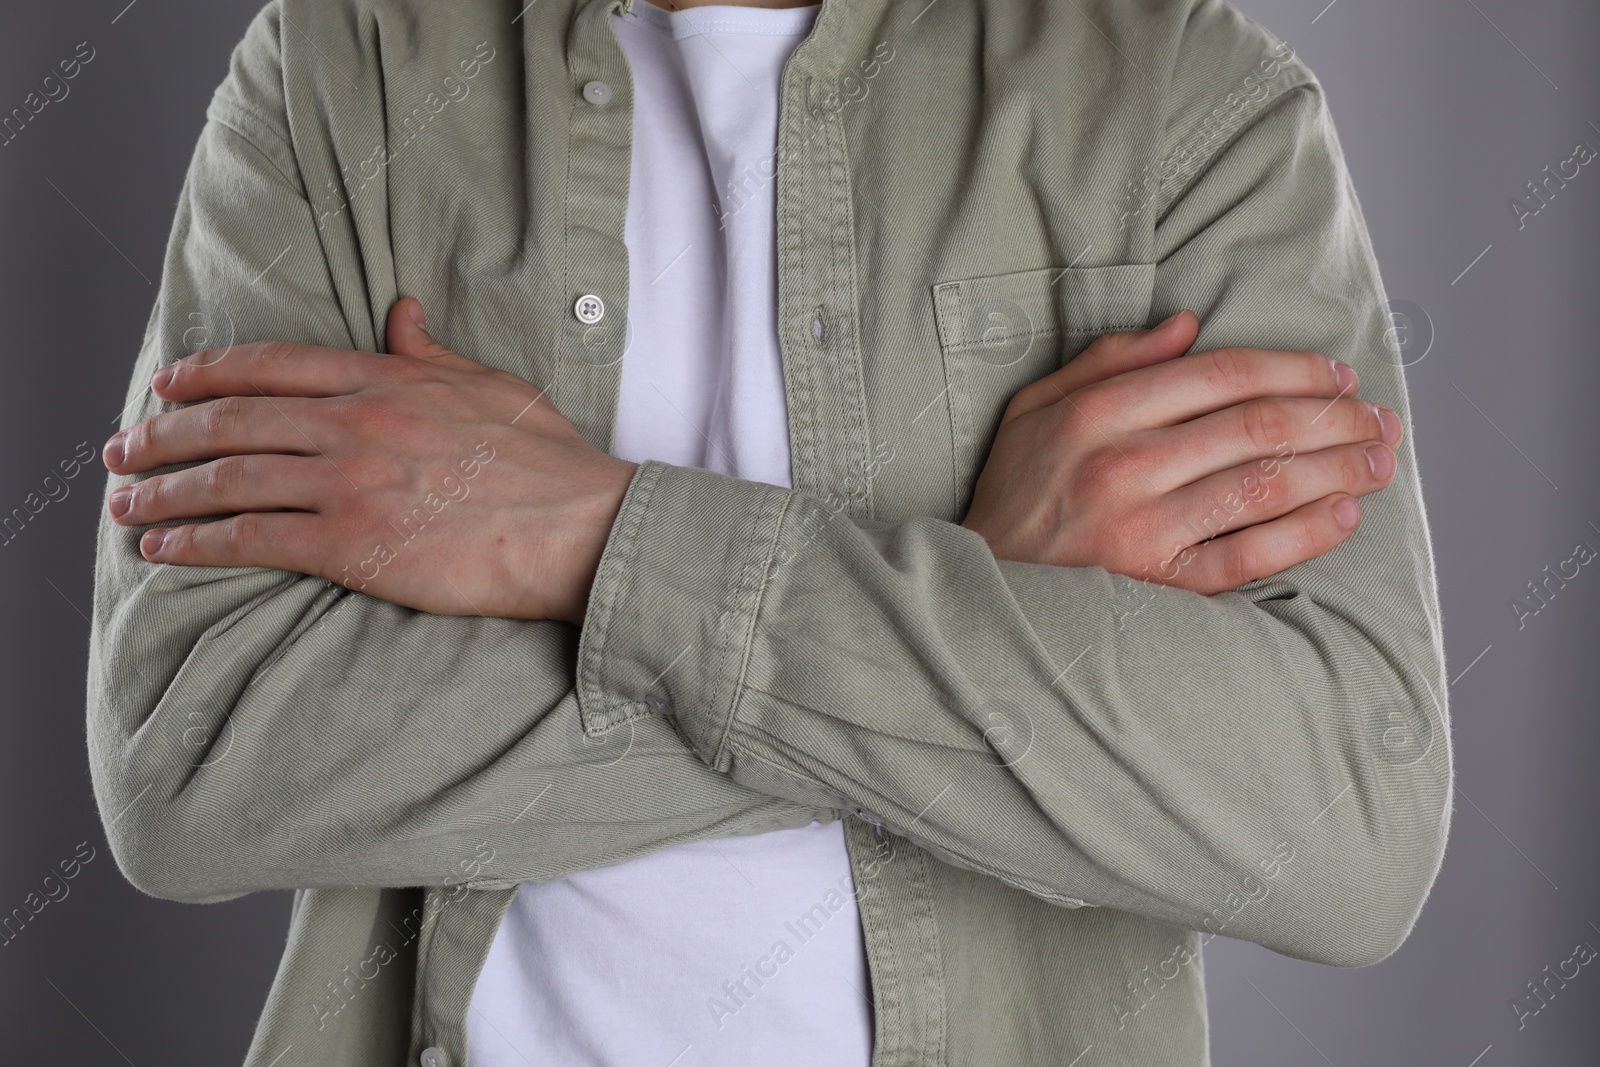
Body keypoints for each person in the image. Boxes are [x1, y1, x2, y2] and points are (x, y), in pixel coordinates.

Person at [85, 0, 1451, 1064]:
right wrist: (975, 599)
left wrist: (584, 530)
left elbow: (1342, 836)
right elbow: (194, 760)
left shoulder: (1188, 103)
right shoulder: (340, 69)